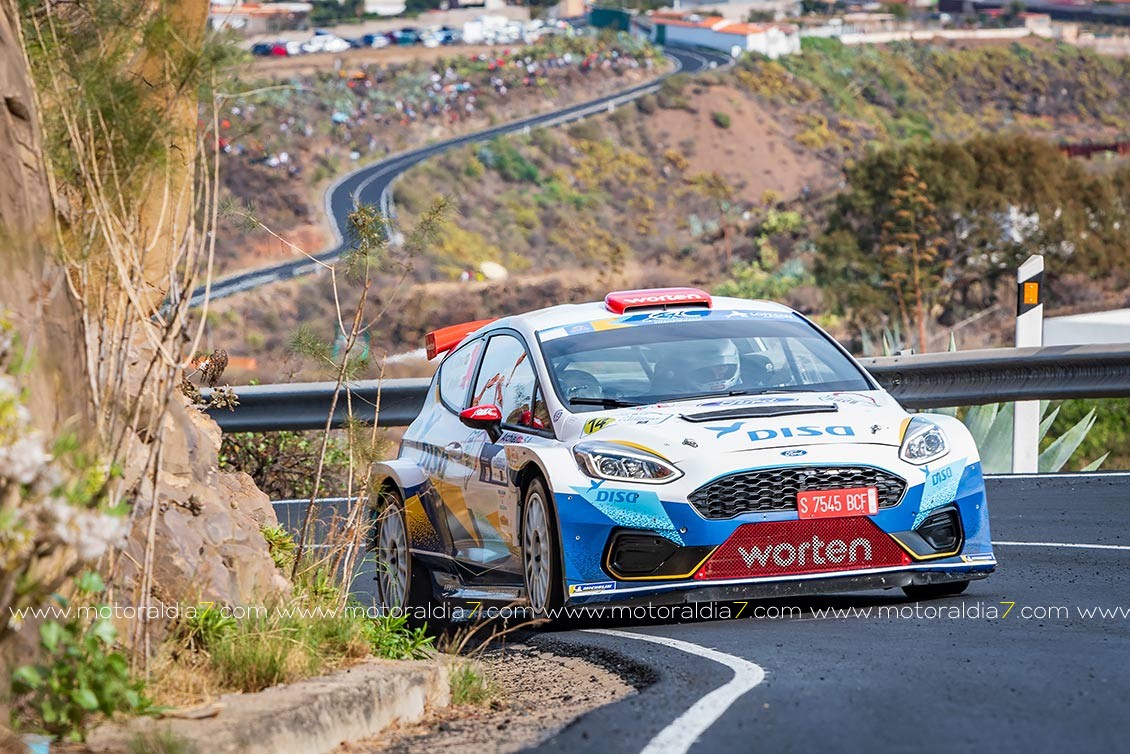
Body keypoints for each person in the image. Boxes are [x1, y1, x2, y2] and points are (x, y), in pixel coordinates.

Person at [651, 339, 741, 395]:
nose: (719, 373)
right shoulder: (664, 395)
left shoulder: (746, 387)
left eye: (723, 366)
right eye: (708, 371)